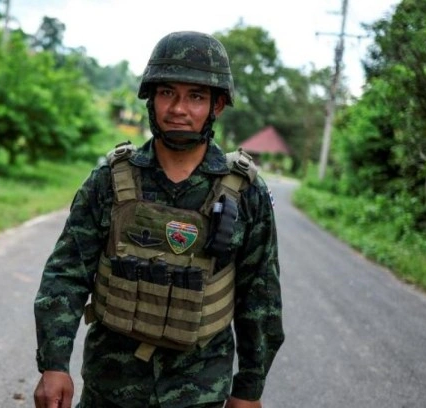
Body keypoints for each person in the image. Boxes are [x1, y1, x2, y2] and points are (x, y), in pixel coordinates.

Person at [32, 31, 284, 408]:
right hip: (110, 386)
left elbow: (260, 297)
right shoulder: (109, 181)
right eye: (167, 92)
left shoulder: (246, 192)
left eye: (195, 96)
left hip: (198, 390)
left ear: (217, 105)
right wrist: (54, 364)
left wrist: (249, 389)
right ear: (151, 99)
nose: (178, 108)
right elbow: (67, 274)